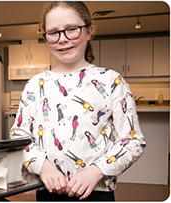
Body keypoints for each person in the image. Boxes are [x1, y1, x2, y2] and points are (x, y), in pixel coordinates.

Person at [10, 1, 146, 201]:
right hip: (47, 190)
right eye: (53, 32)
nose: (62, 39)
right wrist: (44, 167)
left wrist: (96, 171)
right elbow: (19, 137)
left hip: (95, 193)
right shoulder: (35, 84)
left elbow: (132, 141)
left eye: (71, 29)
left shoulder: (111, 81)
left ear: (89, 31)